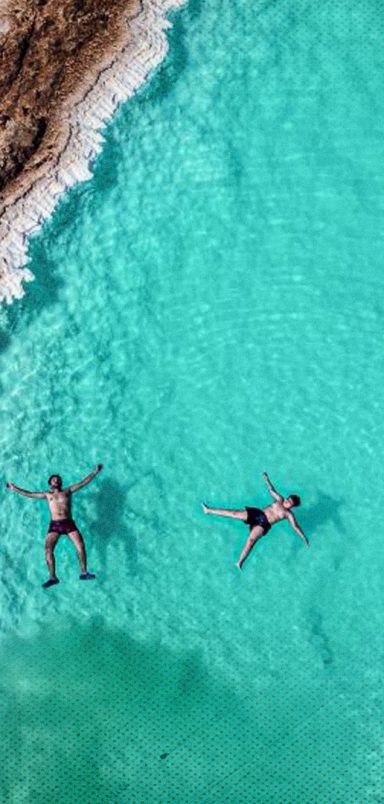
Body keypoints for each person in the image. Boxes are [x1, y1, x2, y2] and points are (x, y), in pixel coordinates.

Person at [6, 464, 103, 588]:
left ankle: (84, 572)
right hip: (55, 526)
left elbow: (83, 482)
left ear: (61, 482)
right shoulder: (47, 495)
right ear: (50, 483)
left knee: (80, 545)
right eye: (54, 480)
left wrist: (95, 472)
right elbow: (30, 494)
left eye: (58, 480)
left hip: (69, 523)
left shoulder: (68, 491)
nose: (56, 481)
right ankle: (52, 577)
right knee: (48, 550)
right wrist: (14, 488)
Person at [202, 471, 309, 570]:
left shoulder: (288, 514)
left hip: (264, 524)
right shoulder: (279, 500)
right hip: (257, 514)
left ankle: (239, 562)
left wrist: (303, 537)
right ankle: (208, 510)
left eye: (290, 503)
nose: (287, 502)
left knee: (251, 541)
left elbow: (295, 526)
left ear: (292, 506)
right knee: (233, 513)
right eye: (288, 499)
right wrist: (267, 479)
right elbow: (271, 490)